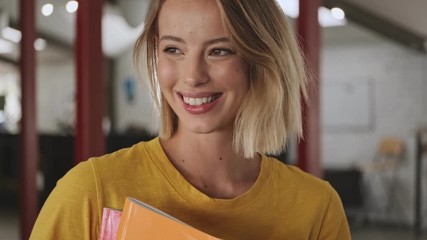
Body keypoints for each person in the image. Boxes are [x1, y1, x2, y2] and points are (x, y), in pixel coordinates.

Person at [30, 0, 351, 239]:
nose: (192, 76)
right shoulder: (93, 191)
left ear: (261, 60)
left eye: (219, 51)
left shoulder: (316, 208)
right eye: (173, 49)